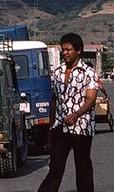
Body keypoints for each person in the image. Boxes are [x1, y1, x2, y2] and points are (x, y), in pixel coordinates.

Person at [38, 33, 99, 192]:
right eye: (63, 50)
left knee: (83, 166)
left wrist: (76, 114)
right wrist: (50, 126)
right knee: (55, 167)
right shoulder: (57, 72)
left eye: (68, 49)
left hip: (81, 127)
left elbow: (91, 99)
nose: (64, 53)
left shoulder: (89, 73)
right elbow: (54, 99)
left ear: (78, 50)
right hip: (60, 127)